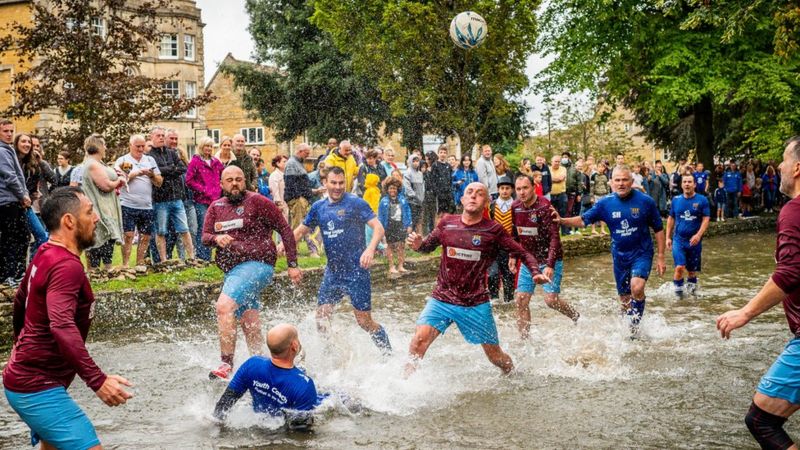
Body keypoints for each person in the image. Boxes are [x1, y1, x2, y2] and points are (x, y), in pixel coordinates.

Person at [3, 186, 133, 450]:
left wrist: (20, 343)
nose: (96, 218)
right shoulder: (66, 266)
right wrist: (98, 380)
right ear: (69, 221)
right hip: (37, 387)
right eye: (89, 211)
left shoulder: (45, 252)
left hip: (30, 379)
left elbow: (20, 299)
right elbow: (61, 325)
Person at [405, 182, 547, 375]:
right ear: (462, 199)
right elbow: (427, 246)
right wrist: (418, 245)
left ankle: (514, 375)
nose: (473, 196)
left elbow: (522, 252)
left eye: (479, 194)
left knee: (496, 357)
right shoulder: (447, 223)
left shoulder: (493, 230)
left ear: (487, 203)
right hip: (442, 298)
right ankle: (405, 385)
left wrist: (535, 271)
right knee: (418, 342)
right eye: (469, 193)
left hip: (475, 303)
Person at [716, 136, 800, 450]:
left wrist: (745, 312)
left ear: (798, 168)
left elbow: (791, 272)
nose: (779, 165)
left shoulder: (794, 211)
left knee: (762, 421)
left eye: (784, 159)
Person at [203, 166, 301, 380]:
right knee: (249, 321)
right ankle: (263, 367)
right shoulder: (216, 207)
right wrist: (216, 239)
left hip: (258, 264)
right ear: (221, 184)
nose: (235, 183)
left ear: (245, 181)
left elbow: (284, 229)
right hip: (233, 272)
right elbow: (205, 236)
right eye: (229, 180)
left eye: (239, 179)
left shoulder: (258, 201)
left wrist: (292, 264)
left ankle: (225, 364)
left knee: (224, 306)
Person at [293, 167, 392, 354]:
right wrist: (284, 245)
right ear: (325, 183)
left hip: (357, 271)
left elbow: (378, 228)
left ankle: (387, 353)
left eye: (341, 183)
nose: (337, 187)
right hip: (333, 273)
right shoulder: (318, 207)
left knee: (364, 321)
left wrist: (370, 250)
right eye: (333, 183)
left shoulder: (356, 203)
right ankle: (330, 355)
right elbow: (300, 231)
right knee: (321, 318)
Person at [557, 165, 666, 335]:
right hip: (620, 256)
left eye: (625, 180)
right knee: (624, 299)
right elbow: (583, 220)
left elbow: (659, 229)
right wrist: (562, 220)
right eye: (617, 180)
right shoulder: (605, 204)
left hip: (641, 253)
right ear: (611, 182)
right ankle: (625, 328)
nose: (621, 183)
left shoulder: (646, 201)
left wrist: (660, 256)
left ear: (631, 181)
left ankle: (634, 329)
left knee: (636, 288)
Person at [212, 324, 322, 428]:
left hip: (261, 421)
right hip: (281, 423)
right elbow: (300, 432)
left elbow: (223, 406)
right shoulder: (305, 385)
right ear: (294, 345)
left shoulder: (252, 364)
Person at [511, 175, 580, 338]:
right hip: (529, 260)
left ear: (533, 187)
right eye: (518, 189)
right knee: (520, 299)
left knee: (550, 300)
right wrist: (513, 255)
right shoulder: (515, 207)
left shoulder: (544, 206)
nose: (522, 192)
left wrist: (550, 264)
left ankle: (575, 315)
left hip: (550, 258)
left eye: (525, 188)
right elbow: (515, 233)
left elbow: (555, 238)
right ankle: (524, 341)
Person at [115, 134, 163, 267]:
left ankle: (139, 263)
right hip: (127, 203)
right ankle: (125, 265)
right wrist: (136, 173)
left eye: (143, 146)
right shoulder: (123, 160)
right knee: (128, 235)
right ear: (130, 146)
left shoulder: (150, 160)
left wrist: (151, 174)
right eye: (138, 146)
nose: (141, 149)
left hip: (146, 205)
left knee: (146, 236)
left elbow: (159, 182)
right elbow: (119, 181)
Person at [149, 126, 195, 262]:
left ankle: (192, 257)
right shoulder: (150, 156)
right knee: (161, 231)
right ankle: (163, 260)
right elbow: (155, 170)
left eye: (163, 135)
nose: (161, 138)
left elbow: (182, 168)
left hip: (177, 198)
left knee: (184, 229)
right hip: (160, 199)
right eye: (158, 135)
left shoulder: (171, 152)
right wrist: (171, 169)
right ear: (151, 138)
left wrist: (165, 171)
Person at [81, 134, 124, 270]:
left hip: (106, 206)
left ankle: (107, 269)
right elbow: (105, 186)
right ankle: (97, 271)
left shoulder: (98, 163)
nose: (106, 147)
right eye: (104, 144)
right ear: (98, 146)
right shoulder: (92, 164)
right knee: (100, 237)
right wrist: (120, 181)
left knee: (108, 238)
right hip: (98, 206)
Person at [666, 174, 710, 299]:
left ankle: (692, 295)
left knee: (691, 271)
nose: (687, 184)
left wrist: (698, 235)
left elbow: (706, 219)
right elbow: (671, 218)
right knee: (679, 267)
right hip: (679, 240)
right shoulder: (676, 200)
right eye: (684, 182)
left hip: (694, 241)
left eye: (689, 182)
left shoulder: (702, 200)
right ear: (681, 185)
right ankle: (679, 297)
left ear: (694, 184)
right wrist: (668, 237)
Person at [0, 119, 30, 285]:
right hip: (7, 202)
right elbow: (10, 177)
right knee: (14, 238)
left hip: (13, 200)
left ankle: (14, 274)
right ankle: (10, 275)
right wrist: (23, 196)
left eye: (11, 131)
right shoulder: (2, 151)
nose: (10, 134)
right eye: (6, 131)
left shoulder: (8, 149)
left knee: (20, 237)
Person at [186, 136, 223, 261]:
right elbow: (189, 180)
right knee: (203, 228)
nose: (209, 148)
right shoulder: (195, 161)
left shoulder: (216, 162)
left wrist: (219, 189)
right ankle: (202, 256)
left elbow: (223, 175)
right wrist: (204, 190)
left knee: (215, 228)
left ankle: (212, 255)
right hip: (202, 200)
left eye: (211, 146)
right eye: (206, 146)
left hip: (215, 199)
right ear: (201, 147)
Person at [14, 133, 51, 256]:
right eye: (23, 141)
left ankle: (35, 267)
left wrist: (40, 161)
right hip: (12, 204)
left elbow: (51, 179)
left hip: (27, 205)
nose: (27, 145)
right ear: (16, 143)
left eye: (28, 142)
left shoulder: (33, 163)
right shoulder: (11, 159)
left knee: (41, 235)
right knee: (18, 240)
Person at [285, 143, 320, 257]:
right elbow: (291, 184)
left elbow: (301, 184)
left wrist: (309, 193)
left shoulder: (298, 163)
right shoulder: (291, 163)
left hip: (301, 198)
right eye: (307, 153)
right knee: (297, 225)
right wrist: (299, 197)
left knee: (302, 225)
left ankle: (295, 250)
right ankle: (293, 251)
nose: (308, 155)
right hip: (297, 199)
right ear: (300, 151)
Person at [487, 175, 516, 303]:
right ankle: (493, 299)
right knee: (492, 274)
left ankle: (509, 300)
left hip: (509, 248)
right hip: (493, 248)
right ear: (498, 189)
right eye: (502, 188)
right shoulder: (491, 206)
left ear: (512, 190)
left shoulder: (516, 206)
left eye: (507, 188)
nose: (504, 191)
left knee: (508, 275)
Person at [379, 177, 412, 274]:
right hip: (389, 226)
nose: (392, 190)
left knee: (401, 245)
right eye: (390, 188)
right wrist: (381, 229)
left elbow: (407, 212)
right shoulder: (383, 201)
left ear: (397, 189)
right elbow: (380, 216)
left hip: (400, 224)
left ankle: (401, 265)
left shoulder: (403, 200)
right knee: (390, 246)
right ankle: (391, 266)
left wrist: (409, 224)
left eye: (394, 188)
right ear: (387, 190)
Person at [403, 154, 425, 235]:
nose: (416, 163)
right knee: (411, 222)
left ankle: (416, 240)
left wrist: (422, 198)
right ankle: (408, 240)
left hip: (420, 202)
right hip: (411, 202)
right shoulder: (408, 173)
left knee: (418, 222)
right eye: (414, 161)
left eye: (417, 161)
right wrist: (415, 197)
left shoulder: (420, 173)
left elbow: (422, 187)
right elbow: (407, 188)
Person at [431, 145, 455, 221]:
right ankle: (438, 231)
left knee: (447, 214)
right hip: (439, 194)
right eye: (441, 152)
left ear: (446, 154)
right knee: (439, 214)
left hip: (448, 193)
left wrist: (450, 191)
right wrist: (437, 193)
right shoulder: (435, 165)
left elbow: (450, 180)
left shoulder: (448, 166)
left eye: (444, 152)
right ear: (438, 153)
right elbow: (433, 181)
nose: (443, 154)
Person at [590, 161, 610, 235]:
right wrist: (592, 197)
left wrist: (608, 196)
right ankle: (593, 229)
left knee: (603, 213)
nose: (601, 168)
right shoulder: (593, 176)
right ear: (597, 167)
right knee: (595, 212)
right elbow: (591, 187)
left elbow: (607, 187)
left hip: (604, 195)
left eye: (602, 167)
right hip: (596, 195)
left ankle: (602, 229)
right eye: (599, 167)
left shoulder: (605, 176)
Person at [550, 155, 568, 235]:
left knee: (563, 213)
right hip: (551, 194)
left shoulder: (563, 169)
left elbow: (561, 178)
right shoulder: (548, 169)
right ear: (551, 162)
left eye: (558, 161)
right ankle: (553, 232)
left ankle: (564, 232)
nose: (557, 163)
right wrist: (554, 179)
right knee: (551, 214)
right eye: (555, 161)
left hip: (561, 194)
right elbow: (549, 179)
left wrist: (552, 179)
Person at [269, 154, 289, 222]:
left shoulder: (286, 174)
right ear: (278, 163)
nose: (287, 163)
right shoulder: (274, 175)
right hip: (281, 205)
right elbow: (275, 192)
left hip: (288, 204)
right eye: (284, 161)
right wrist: (279, 205)